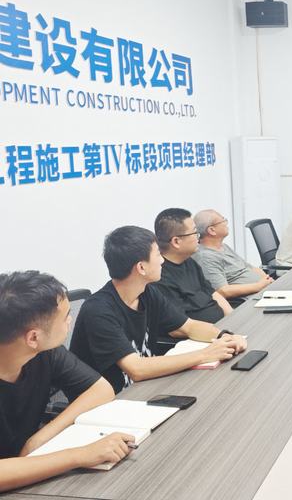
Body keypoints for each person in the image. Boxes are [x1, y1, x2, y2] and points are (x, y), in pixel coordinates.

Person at [0, 271, 134, 491]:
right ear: (33, 337)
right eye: (65, 317)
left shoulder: (45, 352)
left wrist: (39, 438)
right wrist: (79, 455)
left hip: (31, 470)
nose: (70, 321)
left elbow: (101, 389)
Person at [71, 226, 247, 394]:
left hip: (147, 387)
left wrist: (224, 337)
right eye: (157, 255)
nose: (163, 260)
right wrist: (205, 354)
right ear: (141, 267)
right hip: (113, 401)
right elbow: (136, 369)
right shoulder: (99, 310)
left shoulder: (147, 292)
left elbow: (189, 327)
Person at [152, 208, 232, 323]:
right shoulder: (160, 278)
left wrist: (233, 318)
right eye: (194, 233)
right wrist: (220, 331)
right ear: (176, 241)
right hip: (203, 332)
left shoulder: (189, 261)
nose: (198, 237)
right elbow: (180, 325)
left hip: (223, 324)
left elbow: (213, 293)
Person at [193, 210, 274, 307]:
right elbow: (222, 291)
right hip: (249, 301)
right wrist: (258, 286)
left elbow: (249, 267)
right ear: (211, 230)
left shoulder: (223, 246)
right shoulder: (206, 257)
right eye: (223, 220)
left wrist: (267, 280)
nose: (226, 223)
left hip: (264, 291)